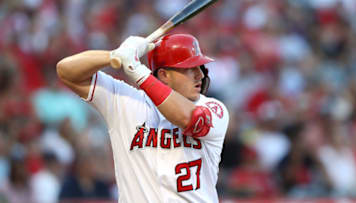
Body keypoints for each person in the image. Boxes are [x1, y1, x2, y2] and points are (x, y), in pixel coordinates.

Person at [56, 33, 229, 202]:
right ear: (164, 75)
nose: (200, 75)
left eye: (199, 67)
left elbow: (187, 118)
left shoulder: (213, 108)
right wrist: (114, 55)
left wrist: (137, 70)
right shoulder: (125, 101)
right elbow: (66, 71)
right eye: (189, 69)